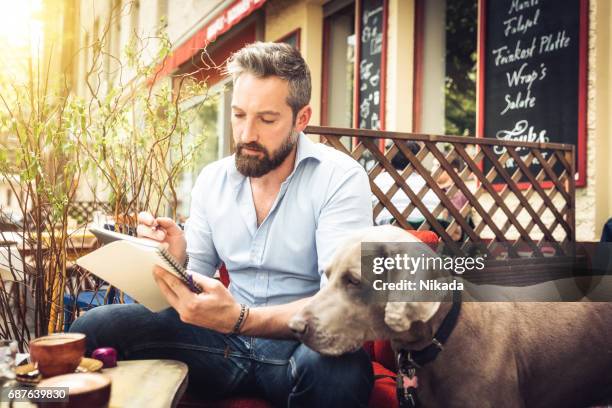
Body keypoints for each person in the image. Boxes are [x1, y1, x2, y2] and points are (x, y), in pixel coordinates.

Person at [70, 42, 374, 407]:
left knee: (343, 369)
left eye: (267, 119)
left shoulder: (339, 178)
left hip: (297, 348)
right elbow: (194, 284)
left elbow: (339, 304)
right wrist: (175, 261)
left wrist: (242, 319)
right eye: (239, 115)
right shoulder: (213, 180)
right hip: (218, 346)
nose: (246, 134)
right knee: (95, 327)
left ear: (301, 118)